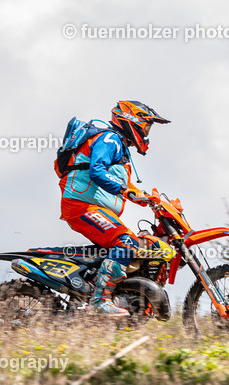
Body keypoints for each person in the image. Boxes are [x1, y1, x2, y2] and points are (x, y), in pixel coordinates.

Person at [58, 100, 170, 315]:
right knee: (126, 242)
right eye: (146, 127)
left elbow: (123, 186)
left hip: (92, 207)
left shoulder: (121, 149)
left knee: (135, 246)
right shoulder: (110, 139)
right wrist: (124, 190)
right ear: (132, 121)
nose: (147, 133)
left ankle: (110, 294)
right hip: (82, 206)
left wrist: (146, 199)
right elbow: (97, 171)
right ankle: (100, 301)